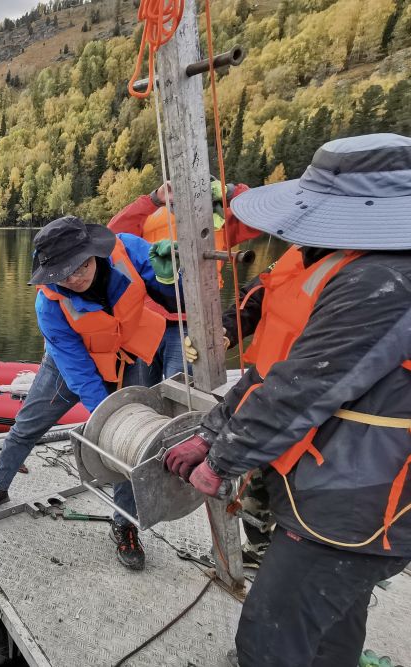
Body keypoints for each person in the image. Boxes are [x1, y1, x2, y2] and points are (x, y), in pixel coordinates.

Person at [163, 133, 411, 667]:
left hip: (358, 506)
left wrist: (221, 462)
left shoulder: (388, 279)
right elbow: (272, 369)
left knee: (269, 638)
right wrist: (211, 431)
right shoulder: (337, 258)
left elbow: (300, 390)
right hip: (327, 488)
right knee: (333, 623)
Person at [0, 216, 177, 570]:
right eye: (63, 273)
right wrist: (108, 416)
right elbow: (79, 371)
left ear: (95, 252)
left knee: (130, 446)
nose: (75, 278)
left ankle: (123, 524)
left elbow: (176, 299)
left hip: (130, 355)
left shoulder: (130, 250)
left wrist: (170, 276)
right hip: (68, 369)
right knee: (26, 426)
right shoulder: (48, 306)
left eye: (80, 267)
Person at [108, 179, 261, 382]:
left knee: (185, 390)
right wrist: (154, 199)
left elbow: (261, 214)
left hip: (194, 322)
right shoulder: (150, 214)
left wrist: (230, 192)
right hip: (146, 320)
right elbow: (112, 236)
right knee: (141, 391)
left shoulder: (218, 217)